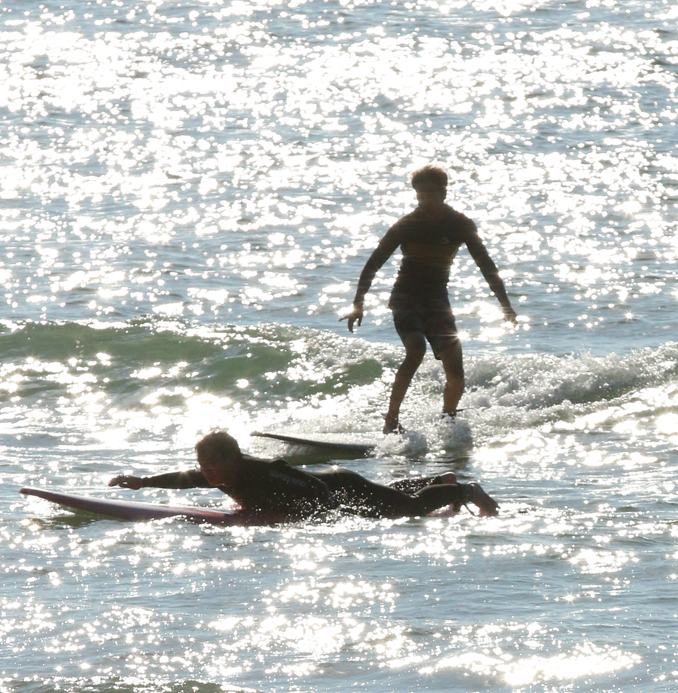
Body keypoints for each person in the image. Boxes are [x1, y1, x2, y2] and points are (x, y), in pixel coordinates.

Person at [342, 165, 517, 434]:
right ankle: (391, 420)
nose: (425, 199)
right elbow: (372, 265)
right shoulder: (406, 225)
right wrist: (358, 304)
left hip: (438, 302)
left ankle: (448, 421)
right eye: (420, 194)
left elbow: (487, 266)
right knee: (416, 350)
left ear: (443, 192)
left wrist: (506, 305)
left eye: (430, 193)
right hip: (405, 297)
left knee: (456, 376)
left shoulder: (459, 224)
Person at [109, 430, 498, 519]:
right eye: (204, 464)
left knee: (406, 510)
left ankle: (464, 490)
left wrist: (334, 515)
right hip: (334, 486)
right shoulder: (217, 475)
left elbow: (309, 484)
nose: (207, 472)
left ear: (234, 459)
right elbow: (184, 477)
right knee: (387, 494)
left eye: (212, 464)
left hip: (337, 486)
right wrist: (143, 482)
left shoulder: (260, 473)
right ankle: (443, 480)